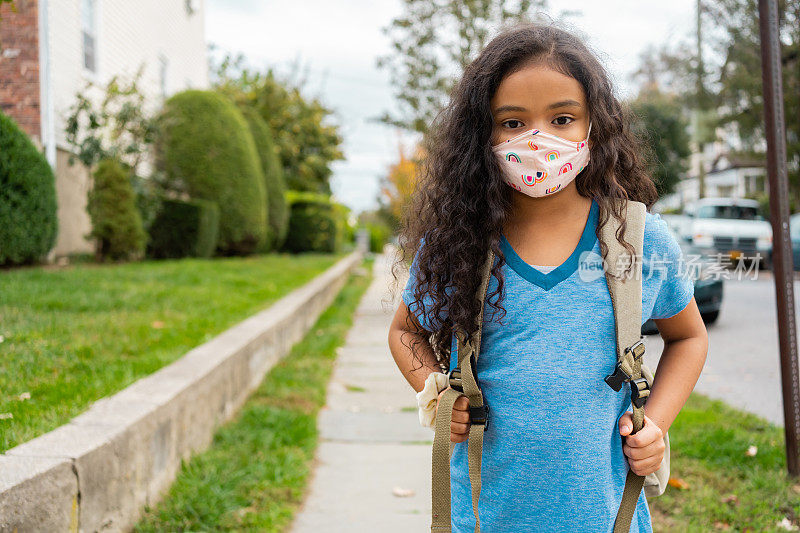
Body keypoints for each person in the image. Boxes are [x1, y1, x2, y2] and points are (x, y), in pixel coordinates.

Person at [386, 22, 709, 532]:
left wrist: (657, 427)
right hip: (481, 516)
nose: (538, 140)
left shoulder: (639, 240)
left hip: (607, 517)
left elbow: (689, 336)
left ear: (594, 126)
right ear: (482, 133)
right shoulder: (458, 244)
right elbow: (406, 331)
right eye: (512, 123)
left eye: (562, 118)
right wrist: (434, 393)